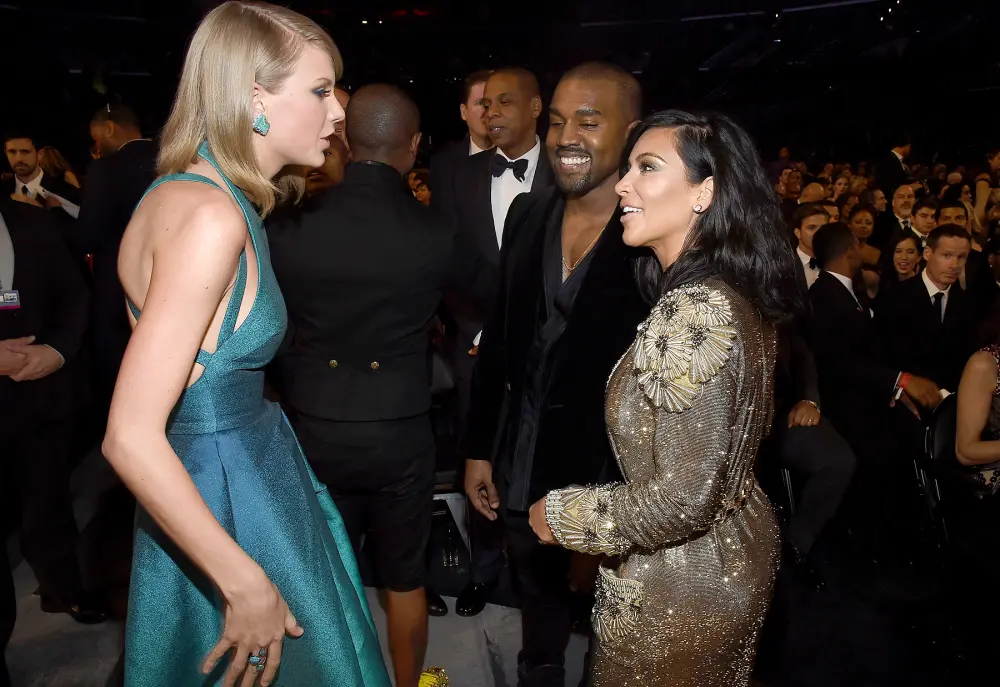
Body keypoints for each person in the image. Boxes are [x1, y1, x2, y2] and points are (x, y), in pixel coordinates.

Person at [101, 3, 390, 686]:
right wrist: (243, 581)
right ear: (255, 96)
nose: (340, 111)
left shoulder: (194, 194)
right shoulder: (209, 217)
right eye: (320, 90)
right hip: (230, 501)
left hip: (232, 479)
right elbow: (129, 435)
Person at [533, 110, 801, 685]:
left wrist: (563, 515)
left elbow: (683, 500)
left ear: (705, 192)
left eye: (647, 168)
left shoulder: (697, 312)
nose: (624, 184)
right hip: (726, 555)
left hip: (684, 581)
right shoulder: (728, 289)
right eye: (628, 167)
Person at [268, 83, 492, 687]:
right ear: (414, 146)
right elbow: (498, 298)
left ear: (342, 136)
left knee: (319, 575)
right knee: (404, 578)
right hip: (398, 430)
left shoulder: (287, 226)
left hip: (313, 423)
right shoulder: (435, 233)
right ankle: (406, 683)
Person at [462, 62, 646, 685]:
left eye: (590, 122)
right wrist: (480, 449)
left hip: (611, 479)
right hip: (521, 461)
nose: (569, 136)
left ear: (633, 132)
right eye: (562, 120)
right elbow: (499, 345)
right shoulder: (527, 216)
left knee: (610, 629)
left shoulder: (654, 239)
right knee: (536, 617)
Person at [1, 195, 106, 687]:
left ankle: (63, 588)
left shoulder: (32, 221)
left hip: (39, 395)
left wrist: (58, 353)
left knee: (48, 499)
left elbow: (76, 297)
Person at [76, 102, 159, 419]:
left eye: (95, 137)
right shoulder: (173, 159)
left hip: (117, 292)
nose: (96, 146)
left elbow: (88, 234)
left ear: (109, 128)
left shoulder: (106, 169)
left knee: (118, 373)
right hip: (170, 285)